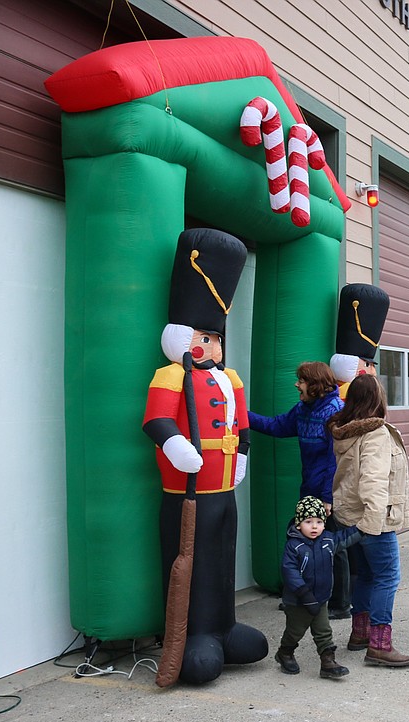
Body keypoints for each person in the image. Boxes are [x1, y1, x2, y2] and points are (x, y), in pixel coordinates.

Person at [142, 228, 267, 685]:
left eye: (215, 338)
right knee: (189, 559)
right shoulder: (170, 375)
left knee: (222, 555)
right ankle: (194, 633)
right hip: (185, 490)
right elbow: (157, 420)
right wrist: (175, 445)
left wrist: (244, 454)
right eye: (202, 336)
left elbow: (242, 424)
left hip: (224, 487)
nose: (210, 346)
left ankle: (222, 625)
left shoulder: (229, 377)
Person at [248, 361, 351, 618]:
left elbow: (334, 459)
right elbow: (276, 426)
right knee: (303, 543)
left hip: (327, 491)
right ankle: (303, 597)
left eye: (301, 380)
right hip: (308, 488)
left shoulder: (336, 412)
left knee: (332, 547)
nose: (297, 384)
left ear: (315, 385)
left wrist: (328, 498)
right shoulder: (303, 409)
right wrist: (239, 414)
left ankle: (340, 605)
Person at [328, 374, 409, 667]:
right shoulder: (375, 433)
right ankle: (379, 645)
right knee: (387, 577)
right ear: (377, 400)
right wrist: (373, 523)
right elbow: (373, 482)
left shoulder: (345, 431)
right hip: (372, 519)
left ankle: (360, 633)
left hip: (348, 516)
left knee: (365, 575)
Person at [274, 496, 362, 679]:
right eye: (308, 521)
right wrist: (304, 594)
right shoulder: (294, 546)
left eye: (319, 522)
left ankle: (328, 662)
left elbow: (346, 537)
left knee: (324, 631)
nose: (314, 526)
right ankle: (285, 652)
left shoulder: (328, 541)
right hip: (299, 601)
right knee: (295, 631)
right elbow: (289, 571)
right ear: (298, 524)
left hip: (321, 599)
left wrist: (363, 528)